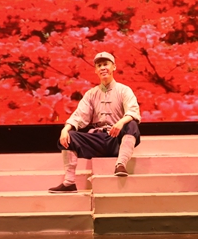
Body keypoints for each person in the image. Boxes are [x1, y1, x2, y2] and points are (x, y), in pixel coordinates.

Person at [49, 52, 141, 192]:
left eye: (106, 64)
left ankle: (121, 164)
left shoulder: (124, 90)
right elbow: (80, 115)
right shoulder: (91, 94)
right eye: (99, 65)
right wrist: (65, 129)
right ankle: (69, 182)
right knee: (70, 136)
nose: (102, 68)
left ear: (114, 67)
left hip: (116, 140)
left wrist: (121, 122)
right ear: (96, 70)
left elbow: (133, 111)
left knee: (132, 124)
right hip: (98, 140)